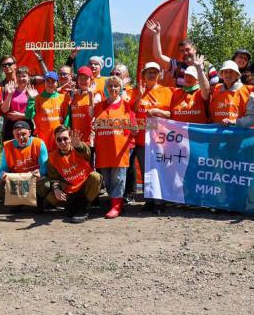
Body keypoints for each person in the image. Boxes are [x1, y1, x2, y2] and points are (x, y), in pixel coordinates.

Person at [126, 61, 173, 209]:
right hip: (141, 139)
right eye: (149, 72)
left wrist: (157, 112)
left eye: (155, 72)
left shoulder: (167, 92)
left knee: (159, 171)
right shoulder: (135, 91)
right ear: (143, 75)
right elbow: (131, 111)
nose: (152, 74)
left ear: (159, 75)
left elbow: (173, 113)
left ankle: (160, 201)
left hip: (161, 140)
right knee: (146, 170)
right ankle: (150, 200)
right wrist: (139, 95)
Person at [93, 76, 138, 218]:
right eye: (110, 86)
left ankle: (116, 206)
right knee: (107, 178)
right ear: (106, 88)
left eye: (116, 86)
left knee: (118, 177)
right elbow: (93, 126)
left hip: (120, 149)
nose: (113, 88)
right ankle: (114, 200)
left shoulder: (127, 106)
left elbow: (135, 129)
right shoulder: (98, 106)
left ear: (120, 88)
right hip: (104, 149)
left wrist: (134, 129)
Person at [46, 126, 102, 223]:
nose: (63, 142)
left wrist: (78, 145)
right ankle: (71, 205)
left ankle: (83, 207)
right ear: (55, 141)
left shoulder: (79, 148)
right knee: (49, 196)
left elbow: (87, 152)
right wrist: (56, 189)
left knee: (96, 177)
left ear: (70, 138)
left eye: (65, 139)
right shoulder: (52, 157)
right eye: (59, 140)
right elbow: (53, 178)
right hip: (69, 188)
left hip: (84, 185)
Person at [144, 20, 219, 87]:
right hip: (181, 99)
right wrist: (157, 34)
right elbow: (158, 56)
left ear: (195, 50)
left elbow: (215, 91)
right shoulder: (177, 67)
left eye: (187, 49)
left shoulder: (207, 67)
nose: (185, 53)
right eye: (182, 51)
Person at [0, 121, 49, 205]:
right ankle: (16, 202)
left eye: (24, 134)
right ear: (13, 134)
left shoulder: (39, 143)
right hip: (16, 180)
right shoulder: (7, 146)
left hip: (33, 178)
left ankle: (37, 200)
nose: (21, 137)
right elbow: (2, 169)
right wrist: (3, 175)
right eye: (17, 135)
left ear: (29, 133)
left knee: (46, 185)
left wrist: (40, 173)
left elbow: (44, 167)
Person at [26, 71, 69, 152]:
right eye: (48, 81)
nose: (50, 84)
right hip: (43, 137)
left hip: (60, 138)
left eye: (53, 81)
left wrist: (65, 131)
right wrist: (31, 99)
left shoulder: (64, 98)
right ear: (44, 83)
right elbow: (28, 115)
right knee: (45, 158)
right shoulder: (37, 98)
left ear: (57, 83)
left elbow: (67, 116)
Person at [209, 60, 254, 127]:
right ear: (222, 74)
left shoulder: (247, 91)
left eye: (231, 72)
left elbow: (252, 118)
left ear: (237, 75)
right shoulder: (216, 89)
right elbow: (211, 115)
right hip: (217, 132)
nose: (228, 75)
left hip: (238, 132)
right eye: (225, 72)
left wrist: (234, 122)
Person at [168, 58, 211, 124]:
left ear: (198, 80)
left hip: (196, 130)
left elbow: (206, 89)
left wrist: (199, 70)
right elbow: (170, 114)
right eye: (186, 75)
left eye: (191, 76)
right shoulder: (177, 92)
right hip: (178, 130)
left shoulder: (200, 93)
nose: (188, 78)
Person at [0, 66, 37, 142]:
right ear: (16, 78)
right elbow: (4, 110)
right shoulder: (11, 90)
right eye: (19, 76)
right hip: (12, 125)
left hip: (27, 124)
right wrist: (10, 94)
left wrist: (20, 115)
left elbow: (36, 113)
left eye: (24, 76)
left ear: (28, 78)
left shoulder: (33, 92)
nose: (21, 79)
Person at [67, 66, 100, 145]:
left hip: (89, 139)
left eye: (86, 78)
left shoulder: (96, 95)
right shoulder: (74, 95)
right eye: (80, 78)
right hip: (74, 139)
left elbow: (93, 114)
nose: (83, 81)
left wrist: (90, 96)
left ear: (91, 80)